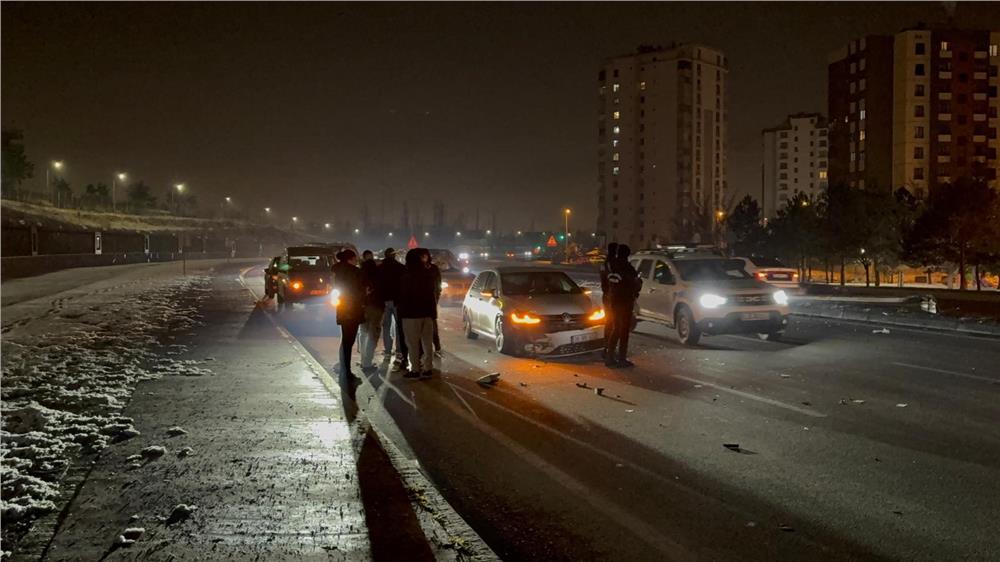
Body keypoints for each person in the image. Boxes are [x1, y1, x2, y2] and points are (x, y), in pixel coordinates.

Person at [397, 248, 437, 379]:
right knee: (427, 342)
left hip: (411, 315)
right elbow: (432, 295)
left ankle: (415, 369)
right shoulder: (428, 275)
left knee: (412, 344)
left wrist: (401, 313)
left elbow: (403, 297)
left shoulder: (406, 277)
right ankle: (428, 368)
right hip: (427, 314)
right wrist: (433, 314)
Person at [604, 244, 640, 368]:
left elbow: (607, 283)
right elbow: (634, 284)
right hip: (625, 302)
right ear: (627, 254)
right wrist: (637, 286)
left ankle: (609, 356)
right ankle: (621, 358)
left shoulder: (611, 266)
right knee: (623, 331)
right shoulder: (627, 268)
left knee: (616, 329)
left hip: (614, 301)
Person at [331, 249, 364, 380]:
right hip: (353, 309)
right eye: (355, 259)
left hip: (342, 308)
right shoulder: (355, 272)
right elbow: (360, 290)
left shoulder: (336, 271)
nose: (356, 261)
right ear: (351, 259)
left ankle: (345, 368)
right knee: (349, 341)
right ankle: (347, 371)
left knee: (345, 340)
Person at [379, 248, 408, 370]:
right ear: (394, 256)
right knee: (399, 327)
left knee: (386, 326)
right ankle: (399, 351)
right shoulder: (400, 268)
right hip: (397, 301)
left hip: (384, 301)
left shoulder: (380, 268)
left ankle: (387, 351)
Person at [357, 250, 384, 372]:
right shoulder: (379, 275)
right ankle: (367, 361)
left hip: (363, 306)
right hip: (376, 306)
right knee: (373, 333)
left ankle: (363, 359)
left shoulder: (359, 274)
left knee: (363, 332)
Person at [600, 242, 619, 357]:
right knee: (613, 323)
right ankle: (609, 349)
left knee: (610, 322)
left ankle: (607, 347)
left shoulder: (605, 263)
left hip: (607, 296)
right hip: (611, 296)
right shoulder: (612, 263)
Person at [427, 251, 444, 356]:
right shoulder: (419, 269)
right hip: (425, 302)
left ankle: (437, 347)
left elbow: (438, 285)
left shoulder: (433, 269)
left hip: (431, 302)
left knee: (432, 325)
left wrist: (436, 297)